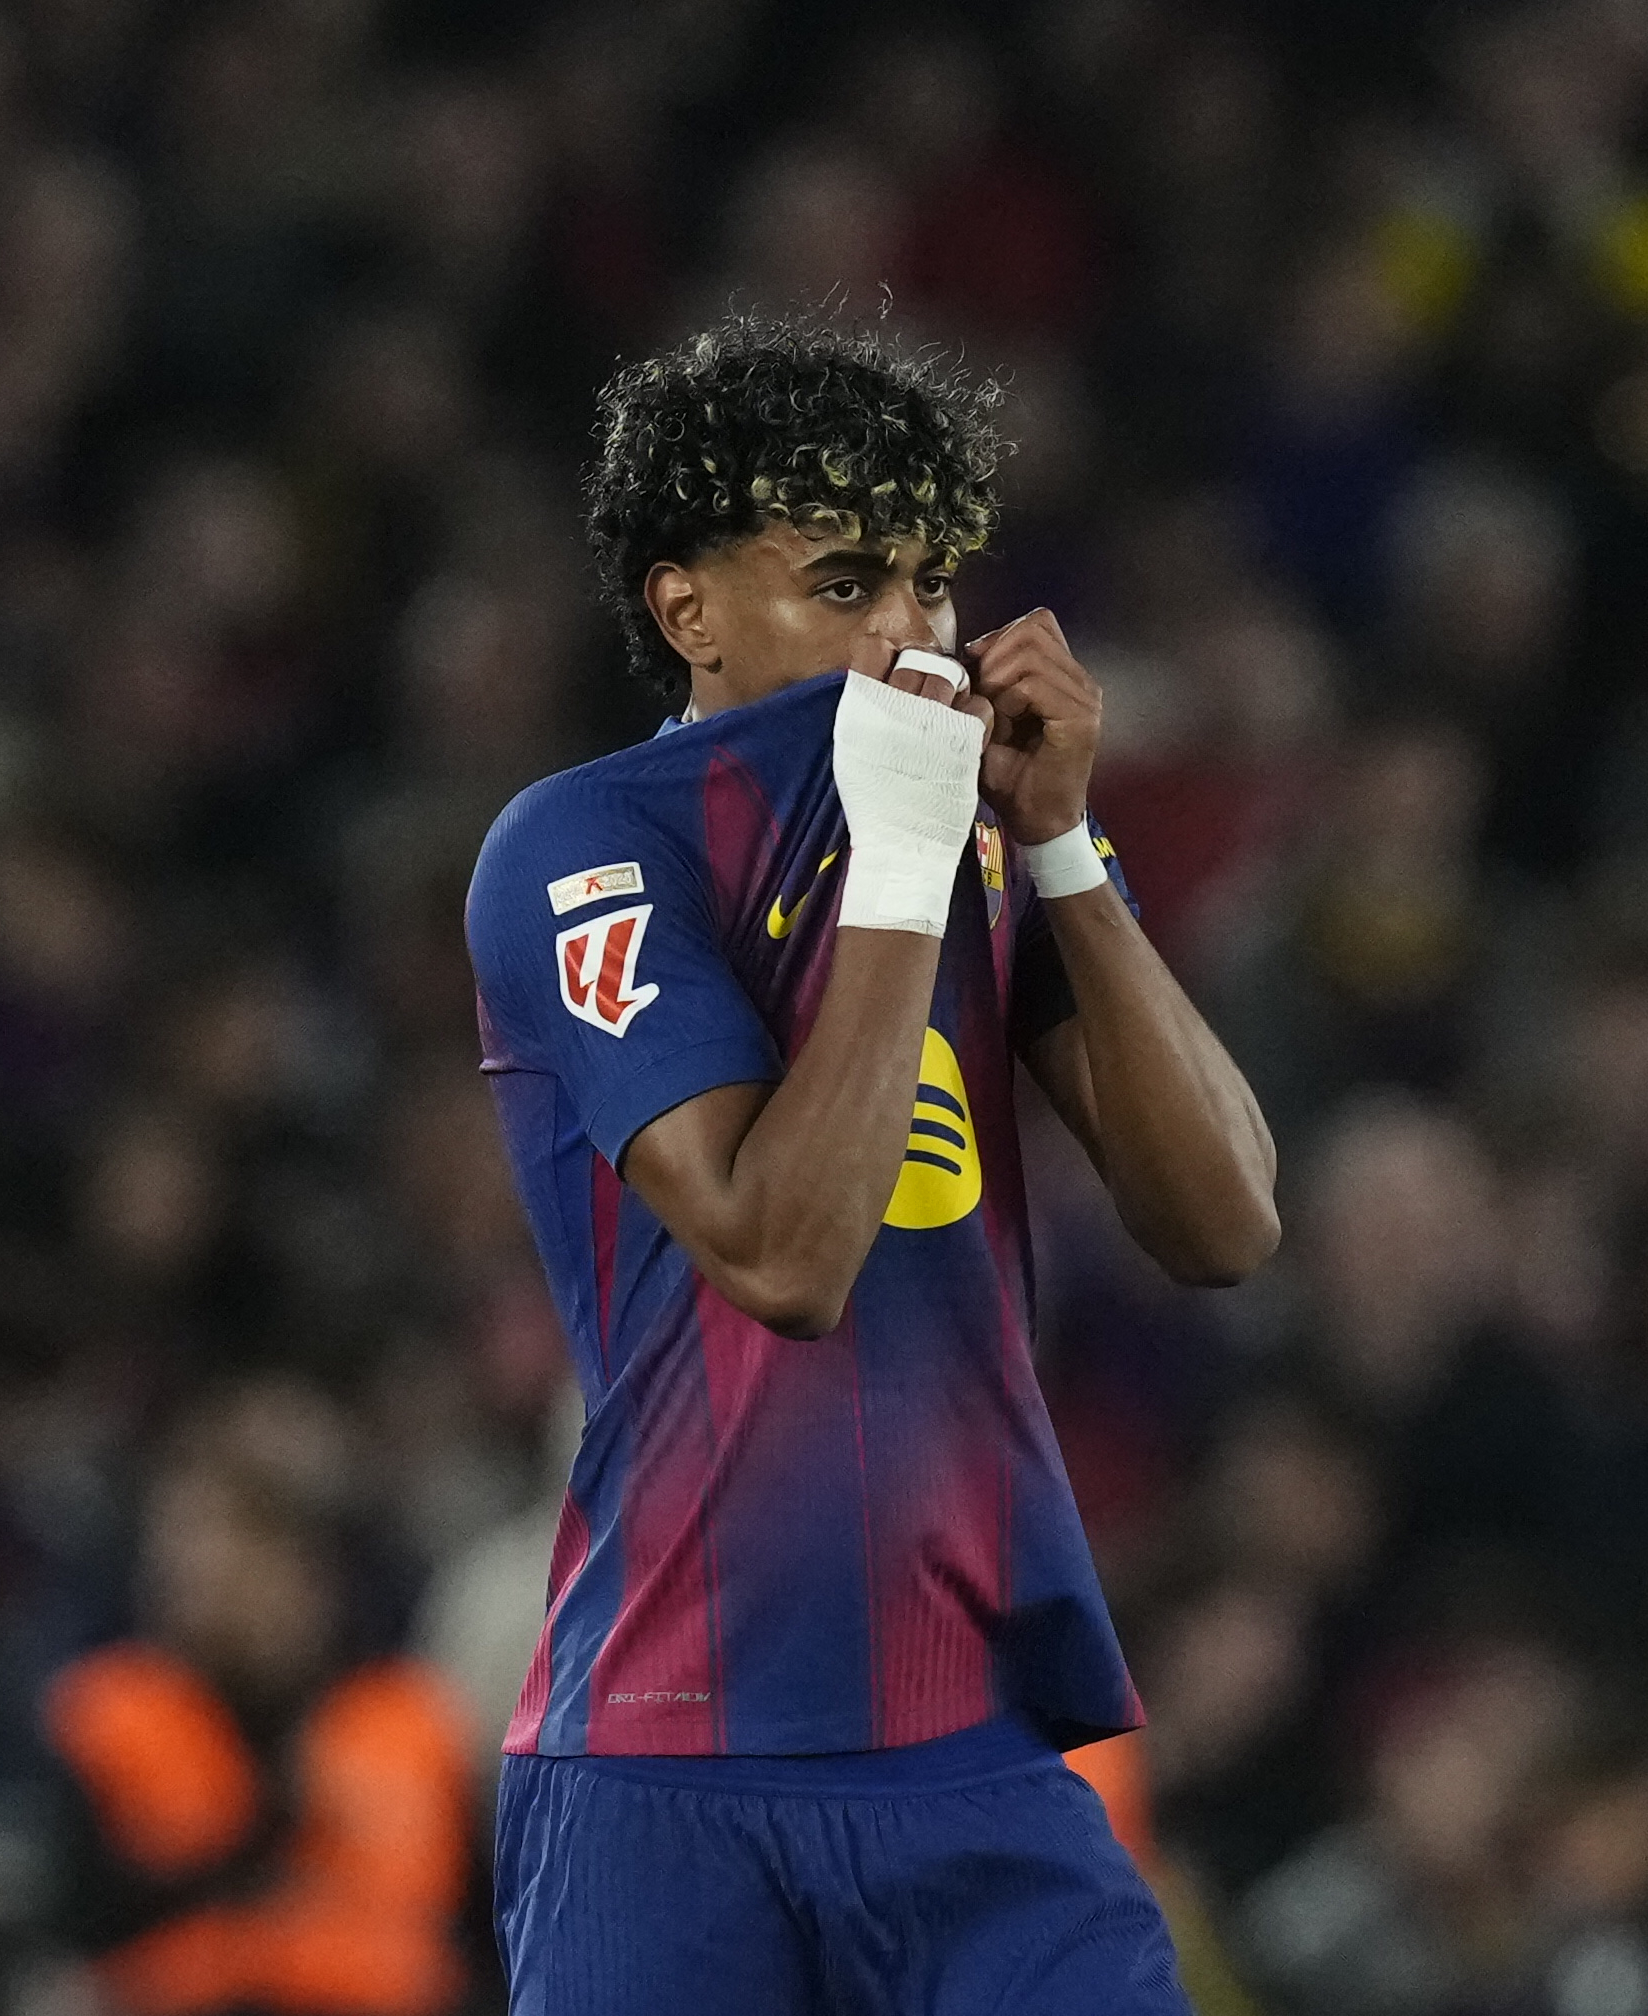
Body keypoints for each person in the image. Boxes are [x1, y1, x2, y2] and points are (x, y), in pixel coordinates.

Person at [463, 316, 1280, 2012]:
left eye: (927, 584)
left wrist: (1051, 841)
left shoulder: (983, 839)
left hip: (965, 1748)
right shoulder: (583, 847)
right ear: (685, 610)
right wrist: (903, 867)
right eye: (843, 584)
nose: (909, 636)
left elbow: (1221, 1218)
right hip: (666, 1764)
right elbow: (783, 1255)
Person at [41, 1405, 475, 2016]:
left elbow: (478, 1938)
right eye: (177, 1536)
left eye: (234, 1537)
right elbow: (73, 1937)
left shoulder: (408, 1718)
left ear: (313, 1567)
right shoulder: (106, 1712)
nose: (191, 1569)